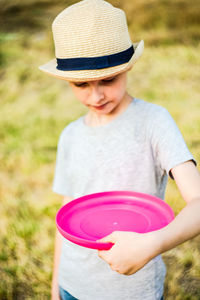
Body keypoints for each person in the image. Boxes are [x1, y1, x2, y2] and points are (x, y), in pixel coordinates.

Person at [39, 1, 200, 299]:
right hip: (72, 285)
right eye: (81, 84)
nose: (96, 95)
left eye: (108, 79)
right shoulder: (70, 135)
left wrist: (152, 244)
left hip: (133, 291)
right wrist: (55, 286)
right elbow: (66, 215)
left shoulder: (154, 122)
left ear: (129, 67)